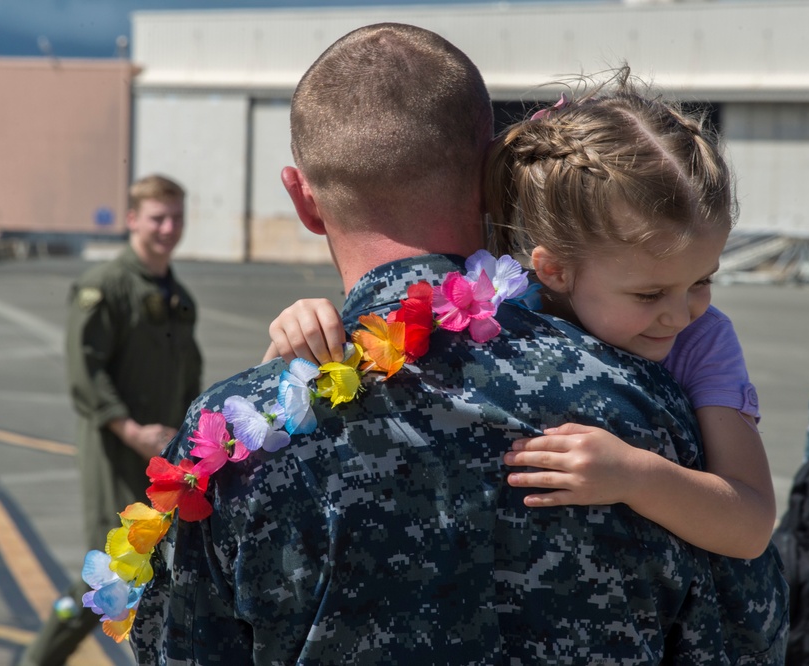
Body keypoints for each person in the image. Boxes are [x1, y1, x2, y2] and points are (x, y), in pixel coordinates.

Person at [132, 24, 785, 664]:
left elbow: (179, 643)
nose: (678, 310)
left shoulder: (242, 436)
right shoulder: (643, 397)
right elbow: (748, 626)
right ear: (489, 172)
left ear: (304, 202)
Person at [268, 71, 775, 561]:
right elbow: (311, 379)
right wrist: (305, 331)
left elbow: (751, 522)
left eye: (702, 281)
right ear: (553, 270)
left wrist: (636, 475)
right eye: (649, 294)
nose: (681, 313)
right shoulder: (491, 300)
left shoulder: (704, 342)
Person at [20, 174, 203, 666]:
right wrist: (130, 430)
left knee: (159, 567)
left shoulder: (179, 298)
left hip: (163, 458)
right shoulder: (105, 286)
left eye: (177, 217)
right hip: (116, 449)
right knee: (106, 565)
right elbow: (86, 371)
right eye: (158, 217)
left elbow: (189, 377)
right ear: (132, 220)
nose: (168, 228)